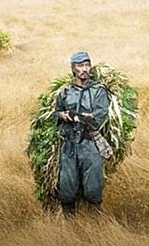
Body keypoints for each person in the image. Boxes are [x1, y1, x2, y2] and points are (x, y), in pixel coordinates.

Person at [52, 51, 110, 216]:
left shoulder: (98, 91)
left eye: (87, 65)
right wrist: (62, 115)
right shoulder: (65, 91)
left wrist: (75, 116)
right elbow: (56, 112)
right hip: (69, 145)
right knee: (67, 187)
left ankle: (95, 224)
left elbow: (98, 117)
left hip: (90, 144)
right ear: (73, 69)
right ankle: (69, 225)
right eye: (80, 66)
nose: (84, 69)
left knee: (93, 187)